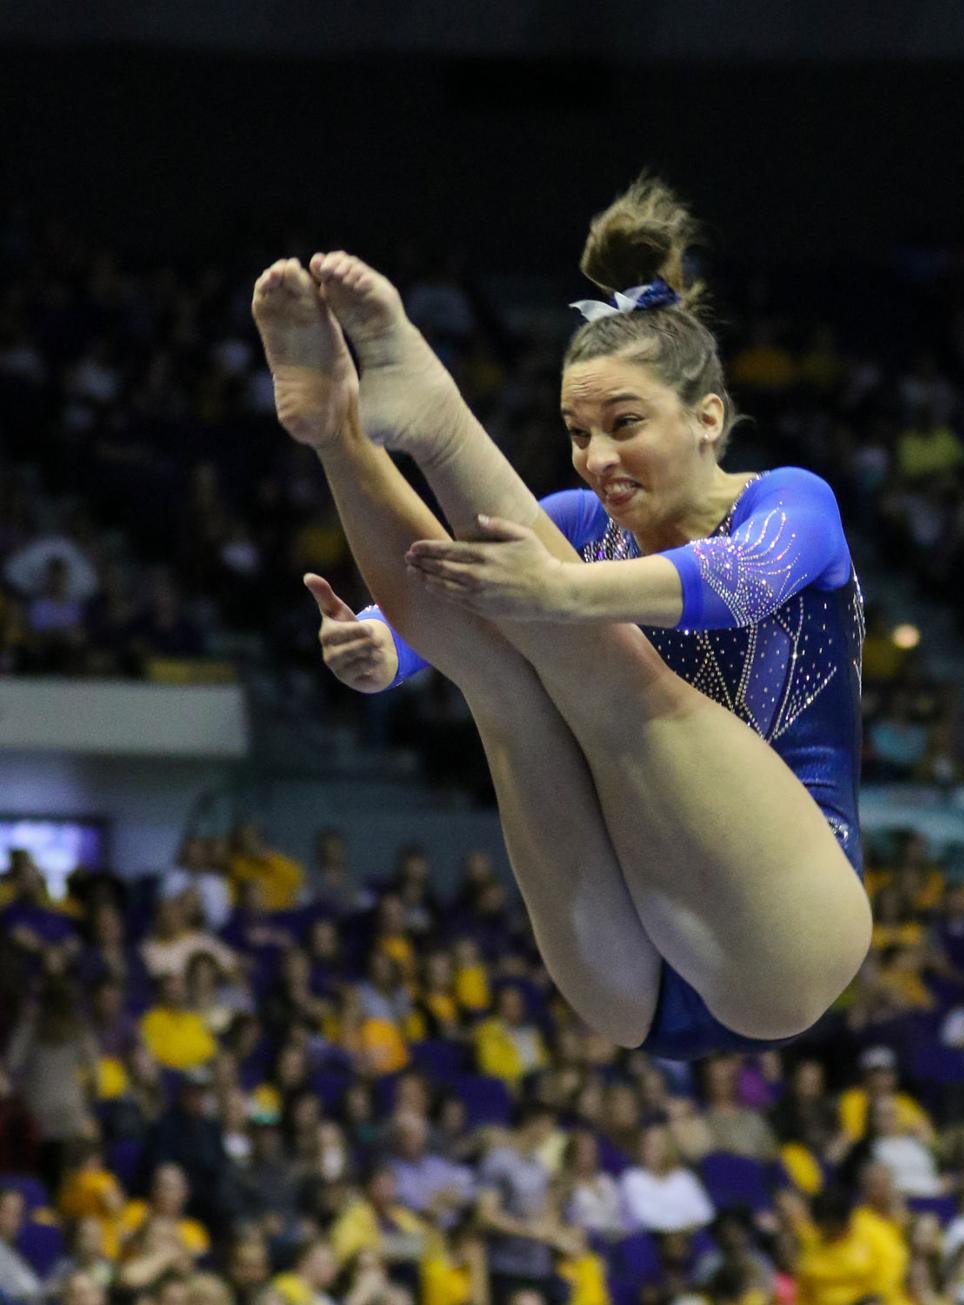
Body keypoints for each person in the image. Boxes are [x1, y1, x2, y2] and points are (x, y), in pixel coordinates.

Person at [251, 172, 871, 1061]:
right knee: (501, 682)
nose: (597, 459)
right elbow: (449, 602)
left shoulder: (788, 502)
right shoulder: (577, 534)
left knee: (614, 675)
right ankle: (339, 427)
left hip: (784, 937)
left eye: (624, 423)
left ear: (708, 418)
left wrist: (563, 592)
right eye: (578, 433)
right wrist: (381, 651)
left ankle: (439, 424)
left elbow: (743, 579)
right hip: (634, 989)